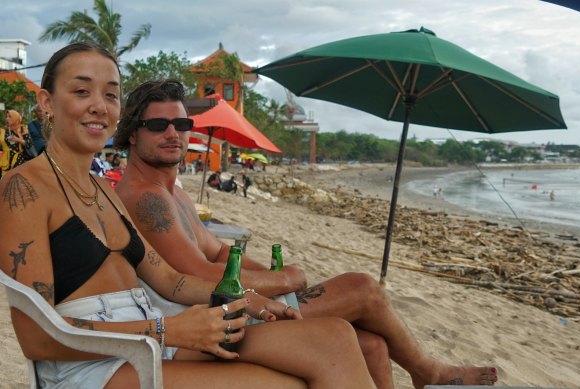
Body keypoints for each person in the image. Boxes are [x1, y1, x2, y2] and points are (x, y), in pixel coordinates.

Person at [0, 44, 376, 389]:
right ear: (46, 102)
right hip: (92, 367)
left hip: (150, 340)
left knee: (334, 338)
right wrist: (168, 330)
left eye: (111, 94)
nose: (99, 105)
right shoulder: (22, 190)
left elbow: (172, 282)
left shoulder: (102, 191)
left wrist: (246, 298)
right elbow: (38, 337)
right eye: (82, 91)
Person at [115, 80, 499, 389]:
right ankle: (426, 370)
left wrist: (273, 281)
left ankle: (420, 371)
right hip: (206, 321)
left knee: (373, 346)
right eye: (157, 125)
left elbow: (220, 254)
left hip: (226, 305)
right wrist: (284, 279)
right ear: (132, 134)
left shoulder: (173, 191)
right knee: (362, 288)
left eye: (181, 125)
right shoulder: (146, 198)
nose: (173, 133)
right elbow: (199, 275)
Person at [1, 109, 33, 177]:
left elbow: (29, 144)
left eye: (10, 117)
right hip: (5, 164)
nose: (7, 119)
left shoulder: (22, 129)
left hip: (19, 163)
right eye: (6, 117)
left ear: (15, 118)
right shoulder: (3, 131)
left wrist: (18, 140)